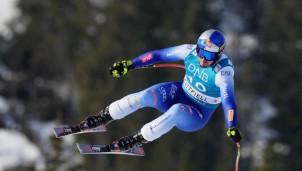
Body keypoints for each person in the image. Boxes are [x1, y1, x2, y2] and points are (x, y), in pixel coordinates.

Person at [80, 29, 242, 152]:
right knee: (145, 96)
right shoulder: (189, 51)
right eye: (201, 51)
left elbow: (228, 101)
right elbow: (159, 55)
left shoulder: (223, 72)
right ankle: (104, 116)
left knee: (176, 111)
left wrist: (231, 126)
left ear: (219, 54)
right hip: (180, 93)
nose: (202, 58)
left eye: (208, 55)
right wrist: (130, 64)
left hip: (196, 113)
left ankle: (136, 140)